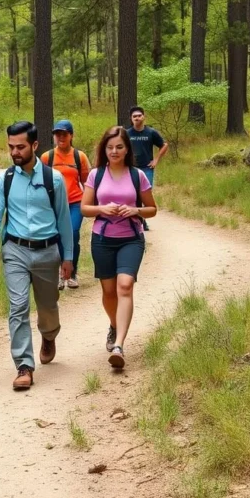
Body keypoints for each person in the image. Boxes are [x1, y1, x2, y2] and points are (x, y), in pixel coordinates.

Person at [0, 121, 73, 390]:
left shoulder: (52, 179)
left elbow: (64, 221)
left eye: (20, 146)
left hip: (47, 252)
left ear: (34, 145)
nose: (14, 152)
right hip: (16, 251)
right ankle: (24, 365)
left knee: (48, 307)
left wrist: (67, 258)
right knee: (18, 307)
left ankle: (48, 335)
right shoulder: (4, 180)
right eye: (11, 146)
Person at [80, 126, 157, 370]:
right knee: (109, 290)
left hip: (131, 238)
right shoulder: (95, 175)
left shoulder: (137, 176)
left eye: (119, 147)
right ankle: (114, 325)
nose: (114, 151)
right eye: (110, 147)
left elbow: (152, 209)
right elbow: (85, 208)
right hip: (102, 239)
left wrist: (135, 210)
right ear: (104, 149)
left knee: (125, 286)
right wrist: (102, 208)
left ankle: (119, 346)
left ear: (127, 150)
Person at [40, 119, 91, 290]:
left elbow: (87, 182)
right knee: (57, 237)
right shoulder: (47, 157)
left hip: (75, 202)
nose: (61, 137)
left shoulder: (80, 156)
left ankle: (72, 272)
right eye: (57, 134)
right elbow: (41, 182)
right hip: (54, 205)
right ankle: (61, 274)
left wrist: (90, 203)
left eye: (64, 134)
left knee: (73, 233)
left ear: (71, 136)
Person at [126, 106, 169, 187]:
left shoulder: (151, 132)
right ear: (131, 118)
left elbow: (164, 145)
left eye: (139, 116)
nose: (137, 118)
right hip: (130, 168)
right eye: (134, 116)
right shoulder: (126, 133)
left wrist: (156, 159)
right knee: (131, 193)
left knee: (146, 192)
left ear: (144, 117)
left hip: (147, 168)